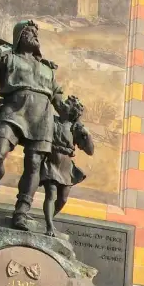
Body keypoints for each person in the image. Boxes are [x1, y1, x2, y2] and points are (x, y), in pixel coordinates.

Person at [0, 20, 64, 229]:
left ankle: (22, 211)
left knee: (34, 165)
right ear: (19, 35)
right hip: (13, 110)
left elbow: (59, 101)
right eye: (29, 32)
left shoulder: (47, 70)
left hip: (42, 117)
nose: (35, 35)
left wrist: (72, 114)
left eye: (36, 33)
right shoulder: (7, 58)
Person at [40, 95, 94, 236]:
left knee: (63, 199)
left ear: (73, 111)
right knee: (50, 195)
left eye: (68, 103)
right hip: (51, 162)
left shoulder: (74, 128)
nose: (63, 104)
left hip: (66, 166)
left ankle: (49, 219)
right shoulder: (52, 120)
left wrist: (87, 135)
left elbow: (90, 151)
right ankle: (49, 226)